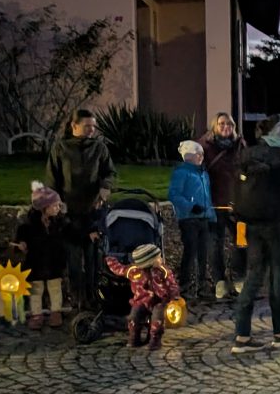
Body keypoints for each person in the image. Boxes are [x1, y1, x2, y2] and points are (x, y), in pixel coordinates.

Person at [231, 114, 280, 354]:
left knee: (253, 276)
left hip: (252, 225)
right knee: (279, 279)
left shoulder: (248, 154)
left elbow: (236, 189)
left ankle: (242, 336)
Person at [45, 109, 115, 307]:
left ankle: (93, 298)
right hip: (69, 214)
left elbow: (110, 173)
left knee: (93, 259)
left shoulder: (99, 148)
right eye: (87, 126)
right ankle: (77, 299)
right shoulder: (60, 148)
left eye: (93, 126)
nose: (92, 130)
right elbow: (52, 179)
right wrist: (55, 205)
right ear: (74, 126)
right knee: (74, 260)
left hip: (93, 213)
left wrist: (105, 188)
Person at [199, 112, 246, 299]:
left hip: (238, 204)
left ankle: (239, 276)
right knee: (215, 243)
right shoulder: (205, 146)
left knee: (242, 241)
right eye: (222, 124)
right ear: (215, 126)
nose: (226, 127)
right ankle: (219, 280)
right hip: (215, 204)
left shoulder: (240, 145)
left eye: (229, 124)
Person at [105, 243, 180, 351]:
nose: (161, 259)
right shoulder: (133, 270)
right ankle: (134, 337)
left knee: (157, 319)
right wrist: (110, 260)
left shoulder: (162, 270)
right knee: (133, 317)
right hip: (141, 300)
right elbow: (119, 269)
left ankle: (155, 339)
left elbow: (172, 283)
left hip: (159, 301)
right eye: (158, 258)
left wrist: (174, 295)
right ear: (149, 261)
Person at [14, 182, 69, 329]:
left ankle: (56, 312)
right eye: (55, 206)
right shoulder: (29, 225)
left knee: (55, 288)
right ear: (44, 208)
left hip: (54, 261)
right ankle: (36, 314)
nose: (58, 208)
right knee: (36, 289)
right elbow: (21, 237)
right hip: (36, 261)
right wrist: (21, 244)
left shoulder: (59, 222)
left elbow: (69, 233)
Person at [168, 140, 215, 301]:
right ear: (189, 156)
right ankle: (185, 286)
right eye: (198, 154)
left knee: (203, 253)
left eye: (201, 154)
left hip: (203, 218)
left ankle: (202, 285)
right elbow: (174, 194)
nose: (201, 157)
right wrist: (190, 206)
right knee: (190, 252)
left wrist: (211, 215)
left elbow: (208, 196)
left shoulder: (203, 173)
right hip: (189, 219)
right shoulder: (182, 172)